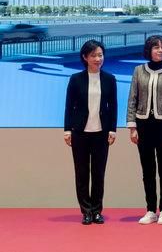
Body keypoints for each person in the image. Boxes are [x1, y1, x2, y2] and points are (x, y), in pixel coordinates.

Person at [126, 35, 162, 225]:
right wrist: (132, 126)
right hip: (143, 125)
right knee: (147, 169)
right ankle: (150, 210)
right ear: (148, 50)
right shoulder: (138, 70)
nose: (160, 50)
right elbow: (132, 99)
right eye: (156, 47)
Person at [64, 40, 117, 225]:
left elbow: (113, 106)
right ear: (85, 57)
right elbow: (69, 106)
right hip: (80, 132)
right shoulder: (75, 79)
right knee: (81, 173)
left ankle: (96, 211)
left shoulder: (109, 79)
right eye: (93, 55)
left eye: (100, 55)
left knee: (98, 173)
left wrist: (113, 129)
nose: (97, 59)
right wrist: (67, 130)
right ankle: (86, 211)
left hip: (101, 132)